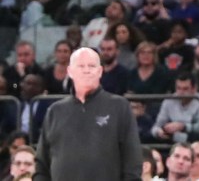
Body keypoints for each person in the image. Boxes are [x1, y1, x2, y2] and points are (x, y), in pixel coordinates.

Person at [33, 47, 142, 181]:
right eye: (81, 66)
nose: (86, 70)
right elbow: (42, 163)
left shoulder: (120, 107)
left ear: (100, 71)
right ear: (70, 72)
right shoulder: (55, 111)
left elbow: (132, 159)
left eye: (91, 65)